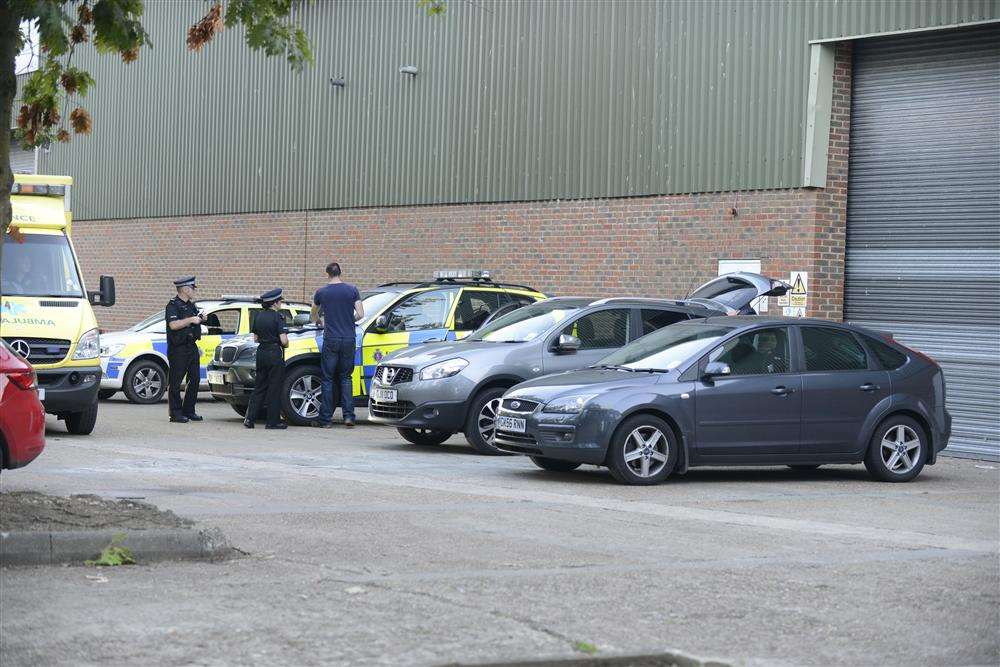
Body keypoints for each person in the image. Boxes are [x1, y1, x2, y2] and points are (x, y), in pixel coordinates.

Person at [311, 262, 364, 428]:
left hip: (331, 339)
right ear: (340, 273)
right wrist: (349, 320)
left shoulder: (321, 292)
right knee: (346, 378)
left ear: (327, 274)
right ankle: (349, 417)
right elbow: (361, 314)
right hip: (348, 338)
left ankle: (325, 420)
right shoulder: (352, 290)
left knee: (327, 379)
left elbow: (314, 313)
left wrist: (320, 321)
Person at [244, 288, 290, 430]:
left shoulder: (257, 316)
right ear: (275, 303)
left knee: (259, 387)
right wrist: (286, 343)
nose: (281, 303)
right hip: (274, 353)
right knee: (274, 388)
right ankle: (272, 422)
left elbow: (256, 339)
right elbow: (284, 341)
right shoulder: (279, 317)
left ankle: (249, 419)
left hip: (261, 352)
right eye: (280, 301)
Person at [165, 276, 205, 423]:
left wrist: (201, 318)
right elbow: (173, 325)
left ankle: (189, 410)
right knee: (175, 382)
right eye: (193, 288)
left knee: (194, 379)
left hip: (191, 346)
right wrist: (191, 320)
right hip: (178, 348)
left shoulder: (191, 305)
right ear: (185, 289)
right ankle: (175, 413)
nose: (194, 291)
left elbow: (194, 320)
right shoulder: (173, 306)